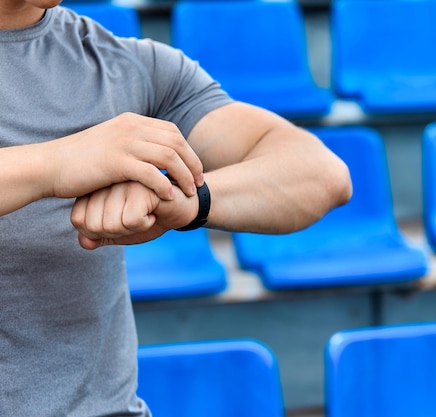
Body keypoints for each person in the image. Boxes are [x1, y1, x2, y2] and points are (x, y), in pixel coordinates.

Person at [0, 0, 352, 415]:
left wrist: (186, 201)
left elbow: (322, 174)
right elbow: (57, 164)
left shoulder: (131, 65)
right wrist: (53, 165)